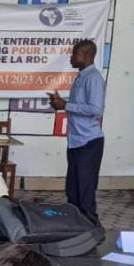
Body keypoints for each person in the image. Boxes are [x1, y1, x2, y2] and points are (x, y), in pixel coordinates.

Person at [48, 39, 106, 224]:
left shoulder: (94, 78)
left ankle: (92, 229)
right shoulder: (81, 77)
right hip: (76, 141)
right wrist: (61, 103)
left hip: (89, 143)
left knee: (85, 192)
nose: (71, 57)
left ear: (87, 55)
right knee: (73, 191)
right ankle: (74, 228)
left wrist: (66, 105)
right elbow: (79, 106)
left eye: (75, 54)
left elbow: (96, 109)